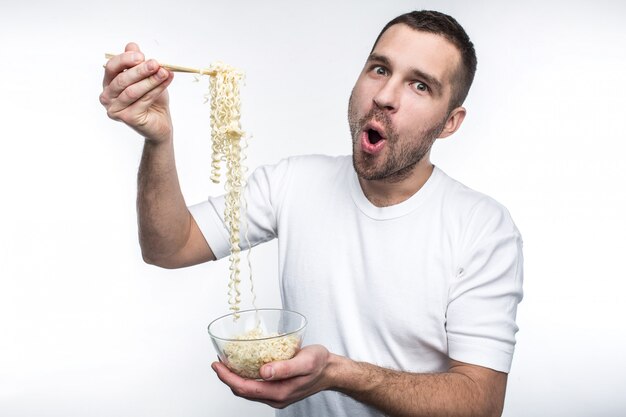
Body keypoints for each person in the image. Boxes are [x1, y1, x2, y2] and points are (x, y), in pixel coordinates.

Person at [100, 10, 523, 417]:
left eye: (419, 86)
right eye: (379, 69)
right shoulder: (292, 182)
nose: (385, 96)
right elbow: (167, 247)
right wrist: (158, 138)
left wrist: (340, 374)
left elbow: (480, 402)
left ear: (450, 122)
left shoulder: (482, 229)